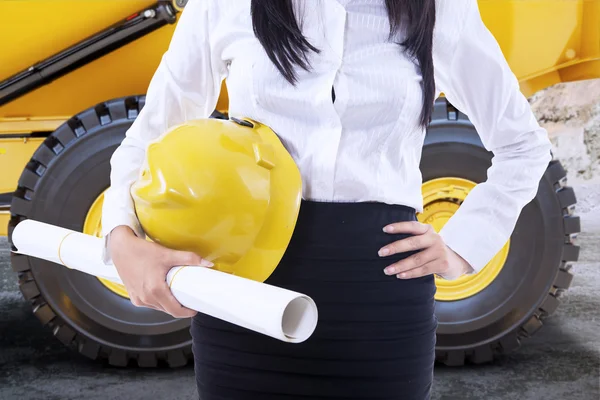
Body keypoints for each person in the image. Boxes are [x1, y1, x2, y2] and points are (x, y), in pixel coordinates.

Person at [101, 0, 553, 398]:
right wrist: (121, 236)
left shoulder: (439, 8)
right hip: (243, 290)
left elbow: (523, 146)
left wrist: (461, 247)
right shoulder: (225, 3)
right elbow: (151, 136)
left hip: (380, 300)